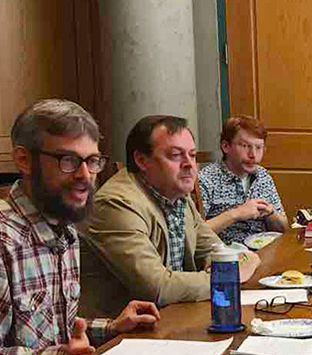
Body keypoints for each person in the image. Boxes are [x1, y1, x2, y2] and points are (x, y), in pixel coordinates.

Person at [0, 99, 160, 355]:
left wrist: (111, 327)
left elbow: (55, 330)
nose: (86, 176)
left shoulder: (66, 228)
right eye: (68, 161)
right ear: (24, 160)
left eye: (92, 161)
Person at [80, 115, 261, 317]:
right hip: (119, 336)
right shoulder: (116, 204)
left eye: (192, 155)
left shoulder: (178, 196)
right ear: (141, 160)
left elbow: (218, 252)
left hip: (171, 320)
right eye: (176, 155)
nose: (189, 165)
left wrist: (230, 264)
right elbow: (157, 287)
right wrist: (230, 275)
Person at [198, 116, 287, 244]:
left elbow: (284, 227)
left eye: (259, 147)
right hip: (227, 257)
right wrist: (236, 214)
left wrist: (271, 213)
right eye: (245, 146)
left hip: (266, 252)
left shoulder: (263, 176)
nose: (253, 155)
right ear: (226, 146)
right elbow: (195, 235)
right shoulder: (207, 179)